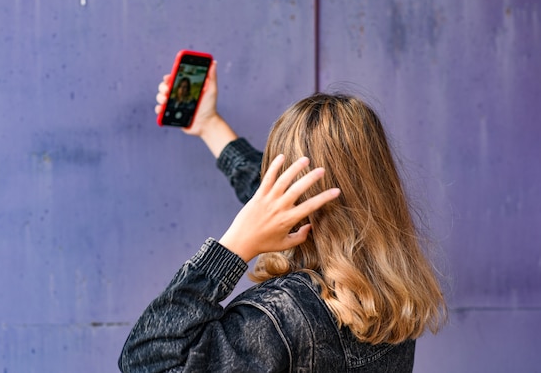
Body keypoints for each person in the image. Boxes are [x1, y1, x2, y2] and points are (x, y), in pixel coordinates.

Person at [118, 62, 447, 372]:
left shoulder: (283, 316)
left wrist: (233, 246)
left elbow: (149, 359)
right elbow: (279, 191)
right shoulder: (393, 288)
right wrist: (210, 126)